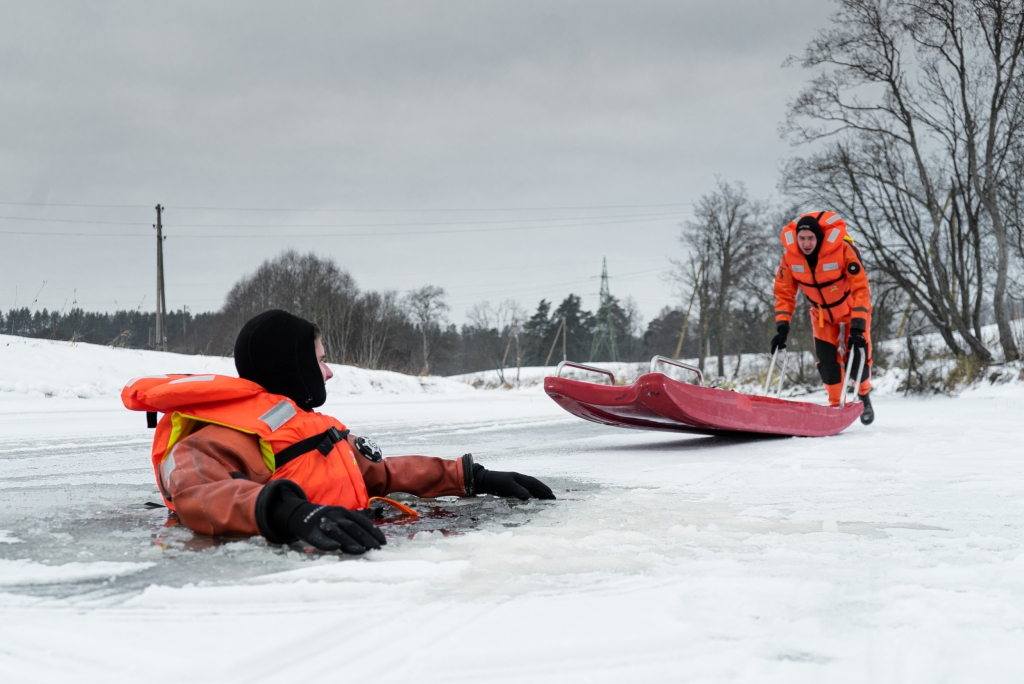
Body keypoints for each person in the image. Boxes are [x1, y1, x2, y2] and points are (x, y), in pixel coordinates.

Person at [123, 309, 555, 553]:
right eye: (320, 360)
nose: (328, 372)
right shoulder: (213, 438)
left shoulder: (302, 427)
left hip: (347, 541)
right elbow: (199, 495)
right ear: (294, 368)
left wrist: (468, 476)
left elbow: (379, 473)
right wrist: (290, 512)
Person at [771, 211, 874, 425]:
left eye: (811, 238)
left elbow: (861, 289)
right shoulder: (789, 258)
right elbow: (784, 294)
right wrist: (782, 327)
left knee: (857, 358)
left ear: (819, 237)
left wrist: (858, 325)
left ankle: (864, 395)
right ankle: (836, 405)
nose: (806, 243)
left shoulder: (843, 250)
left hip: (852, 310)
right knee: (827, 362)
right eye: (802, 238)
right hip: (821, 315)